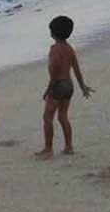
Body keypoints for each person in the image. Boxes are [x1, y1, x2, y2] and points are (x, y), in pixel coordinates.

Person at [36, 16, 95, 158]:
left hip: (58, 85)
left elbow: (55, 70)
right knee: (63, 116)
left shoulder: (55, 49)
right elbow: (76, 68)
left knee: (47, 117)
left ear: (53, 33)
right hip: (69, 85)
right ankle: (69, 146)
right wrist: (82, 86)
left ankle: (48, 149)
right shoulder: (69, 49)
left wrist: (48, 89)